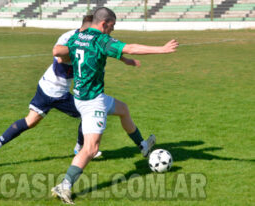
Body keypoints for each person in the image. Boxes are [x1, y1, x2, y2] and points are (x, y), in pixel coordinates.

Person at [51, 7, 179, 204]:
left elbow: (61, 53)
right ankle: (65, 186)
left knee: (123, 110)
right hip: (93, 102)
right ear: (103, 24)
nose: (112, 30)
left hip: (81, 96)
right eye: (112, 26)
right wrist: (161, 49)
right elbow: (130, 47)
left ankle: (143, 147)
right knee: (91, 149)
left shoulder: (78, 36)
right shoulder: (100, 40)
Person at [0, 15, 102, 168]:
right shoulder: (69, 37)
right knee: (87, 114)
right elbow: (58, 56)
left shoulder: (86, 40)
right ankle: (80, 149)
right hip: (57, 92)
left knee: (30, 121)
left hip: (46, 85)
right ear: (88, 28)